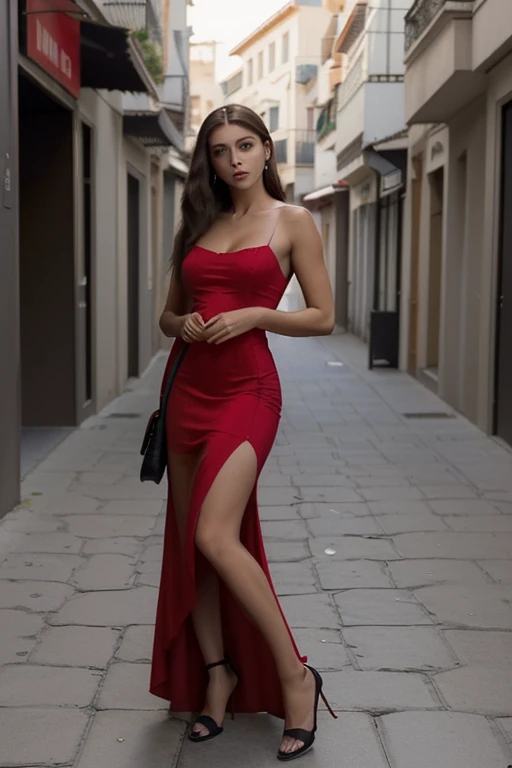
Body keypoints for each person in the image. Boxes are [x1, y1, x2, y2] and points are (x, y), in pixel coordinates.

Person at [150, 103, 336, 761]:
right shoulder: (197, 222)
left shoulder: (293, 221)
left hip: (248, 392)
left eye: (247, 145)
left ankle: (296, 677)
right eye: (222, 149)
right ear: (210, 159)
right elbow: (167, 317)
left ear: (266, 150)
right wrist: (189, 325)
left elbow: (322, 318)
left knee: (213, 532)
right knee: (191, 545)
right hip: (188, 391)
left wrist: (257, 313)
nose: (235, 159)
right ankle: (218, 676)